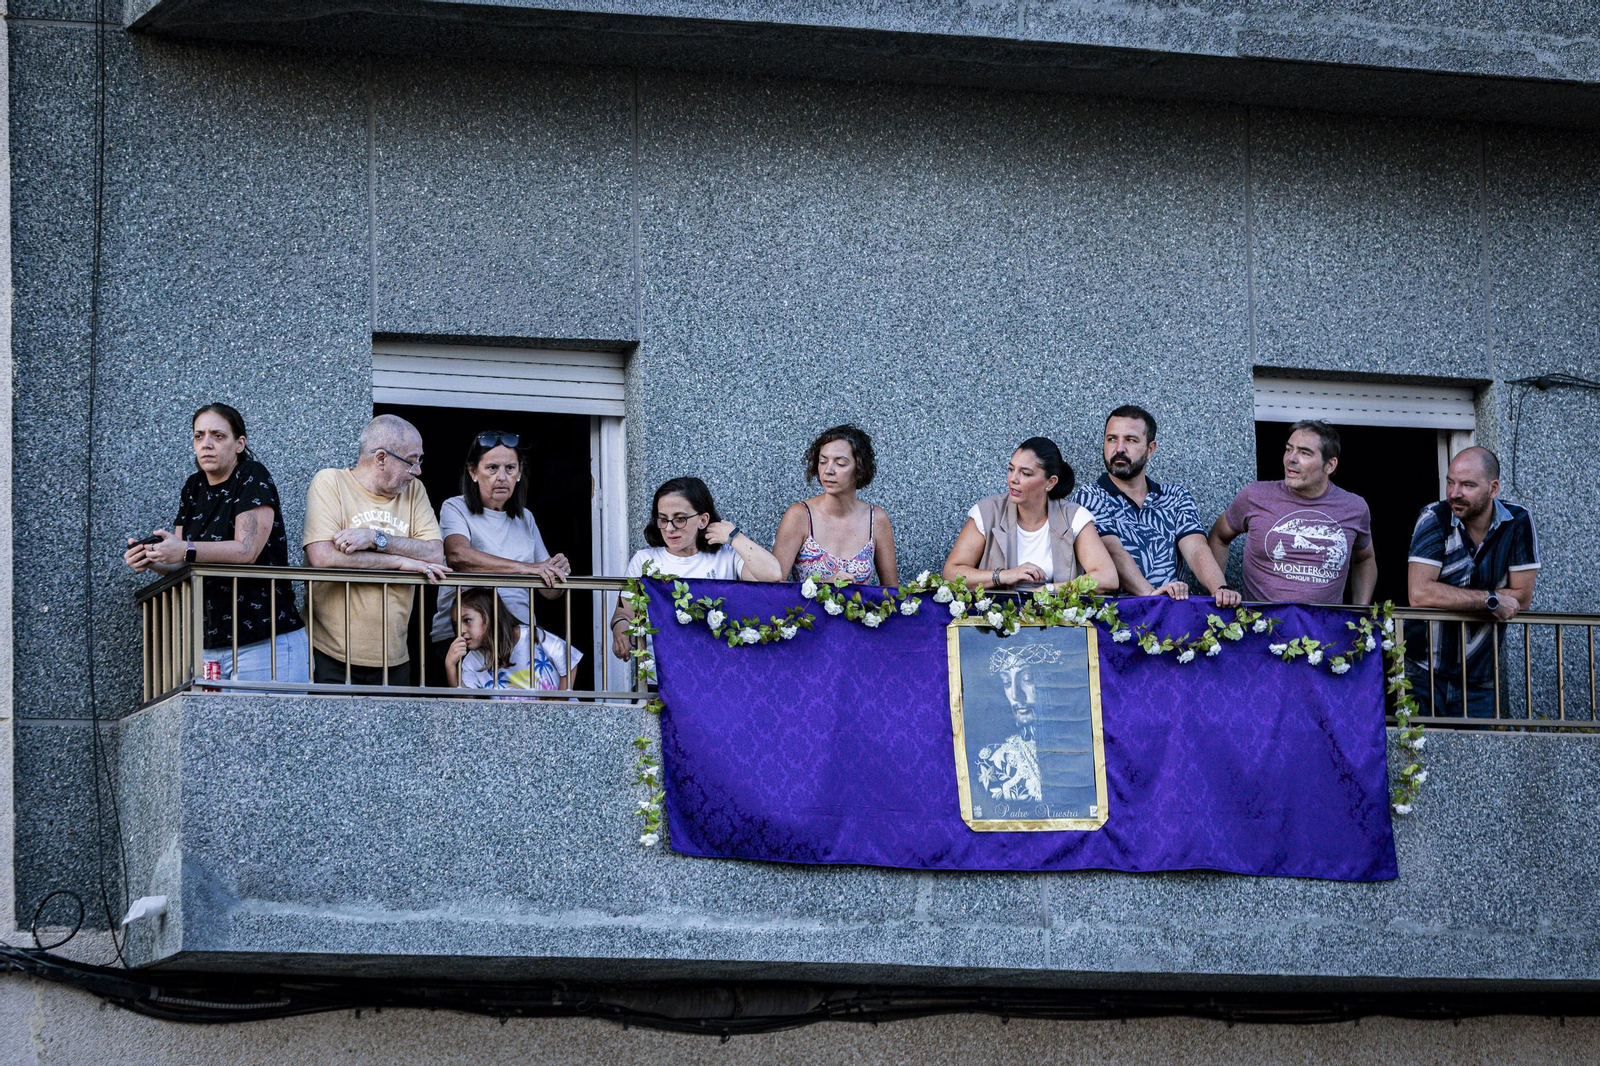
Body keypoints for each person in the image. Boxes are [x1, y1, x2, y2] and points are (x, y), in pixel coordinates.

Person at [122, 403, 308, 681]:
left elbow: (246, 550)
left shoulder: (252, 475)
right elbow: (183, 561)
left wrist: (182, 549)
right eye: (199, 436)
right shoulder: (193, 486)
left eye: (218, 436)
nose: (206, 444)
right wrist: (153, 558)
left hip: (266, 639)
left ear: (239, 444)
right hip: (210, 641)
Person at [303, 414, 447, 685]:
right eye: (412, 460)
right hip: (328, 653)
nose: (417, 470)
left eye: (420, 461)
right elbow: (322, 556)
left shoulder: (414, 491)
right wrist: (400, 562)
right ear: (381, 458)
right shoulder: (330, 482)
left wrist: (374, 538)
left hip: (394, 658)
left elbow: (433, 554)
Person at [1404, 446, 1538, 718]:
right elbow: (1419, 593)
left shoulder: (1517, 521)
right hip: (1422, 671)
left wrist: (1447, 596)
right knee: (1417, 758)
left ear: (1494, 488)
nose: (1454, 493)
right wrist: (1490, 601)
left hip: (1479, 677)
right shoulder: (1434, 517)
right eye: (1450, 482)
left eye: (1467, 485)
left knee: (1480, 757)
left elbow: (1521, 598)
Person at [428, 430, 571, 674]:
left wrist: (557, 571)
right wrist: (525, 568)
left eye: (510, 468)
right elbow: (458, 556)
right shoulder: (455, 507)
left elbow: (550, 593)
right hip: (466, 640)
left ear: (520, 472)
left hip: (518, 639)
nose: (502, 477)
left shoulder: (526, 518)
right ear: (473, 472)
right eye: (492, 468)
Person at [1071, 405, 1240, 606]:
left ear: (1150, 449)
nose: (1119, 449)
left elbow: (1196, 549)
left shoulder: (1176, 496)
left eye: (1131, 440)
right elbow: (1113, 551)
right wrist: (1151, 595)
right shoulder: (1089, 496)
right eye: (1111, 439)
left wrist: (1219, 589)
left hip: (1171, 616)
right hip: (1116, 617)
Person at [608, 477, 782, 659]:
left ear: (703, 520)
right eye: (663, 519)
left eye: (679, 519)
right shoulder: (644, 559)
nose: (669, 528)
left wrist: (735, 537)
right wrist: (620, 627)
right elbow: (624, 611)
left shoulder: (727, 555)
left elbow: (773, 574)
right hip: (658, 678)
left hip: (718, 672)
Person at [1207, 420, 1376, 604]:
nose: (1291, 459)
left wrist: (1361, 612)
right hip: (1261, 628)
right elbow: (1218, 537)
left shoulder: (1354, 507)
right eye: (1289, 449)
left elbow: (1364, 558)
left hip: (1322, 629)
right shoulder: (1255, 495)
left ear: (1330, 465)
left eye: (1304, 453)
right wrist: (1219, 591)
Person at [942, 437, 1117, 593]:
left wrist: (1049, 590)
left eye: (1025, 473)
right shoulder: (987, 512)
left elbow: (1107, 577)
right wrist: (1004, 576)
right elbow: (951, 573)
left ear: (1050, 482)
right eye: (1011, 469)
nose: (1013, 479)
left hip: (1058, 622)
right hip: (994, 621)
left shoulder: (1073, 517)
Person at [771, 424, 898, 586]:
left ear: (859, 469)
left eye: (841, 463)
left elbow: (892, 592)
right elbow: (774, 585)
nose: (828, 470)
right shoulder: (800, 515)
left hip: (861, 611)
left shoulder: (876, 519)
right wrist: (823, 586)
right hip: (806, 611)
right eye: (823, 461)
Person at [443, 587, 582, 693]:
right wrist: (450, 665)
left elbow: (571, 660)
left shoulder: (530, 636)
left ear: (490, 617)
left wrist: (560, 704)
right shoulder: (472, 660)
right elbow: (464, 699)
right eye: (456, 625)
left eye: (467, 620)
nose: (461, 630)